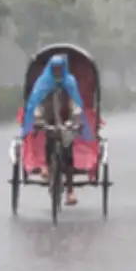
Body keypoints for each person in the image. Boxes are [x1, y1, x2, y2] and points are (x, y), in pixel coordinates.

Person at [21, 54, 92, 205]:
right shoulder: (44, 83)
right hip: (49, 121)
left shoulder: (69, 83)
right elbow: (38, 104)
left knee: (68, 155)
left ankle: (70, 191)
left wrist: (77, 121)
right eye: (55, 69)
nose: (58, 72)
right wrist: (38, 120)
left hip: (66, 122)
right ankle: (47, 167)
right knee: (49, 143)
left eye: (60, 69)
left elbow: (75, 104)